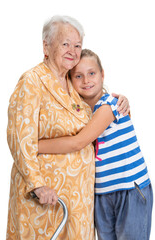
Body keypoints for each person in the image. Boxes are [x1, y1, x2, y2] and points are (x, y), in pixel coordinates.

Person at [7, 15, 130, 240]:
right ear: (46, 45)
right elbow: (20, 139)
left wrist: (122, 101)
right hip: (48, 200)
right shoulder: (32, 82)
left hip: (80, 201)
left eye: (77, 45)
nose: (73, 51)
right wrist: (38, 186)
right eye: (65, 44)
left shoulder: (72, 83)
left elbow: (97, 116)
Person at [38, 49, 153, 240]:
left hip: (129, 190)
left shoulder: (111, 104)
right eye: (78, 76)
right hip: (101, 193)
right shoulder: (80, 115)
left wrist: (33, 146)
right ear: (70, 80)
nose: (86, 81)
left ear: (102, 74)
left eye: (91, 73)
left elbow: (78, 142)